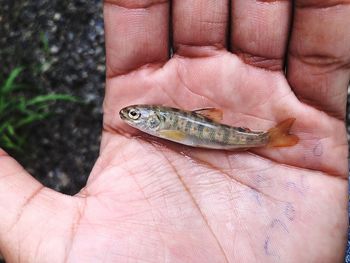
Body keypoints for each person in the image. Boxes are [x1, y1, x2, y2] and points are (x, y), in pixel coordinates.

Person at [0, 1, 349, 262]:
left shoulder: (161, 123)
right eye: (135, 115)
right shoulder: (157, 125)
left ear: (151, 120)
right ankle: (269, 138)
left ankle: (270, 137)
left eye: (136, 115)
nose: (132, 118)